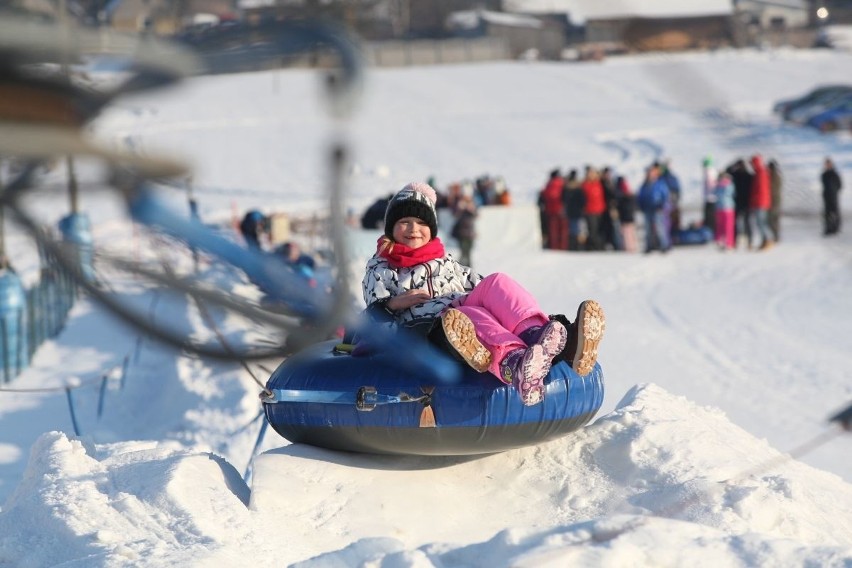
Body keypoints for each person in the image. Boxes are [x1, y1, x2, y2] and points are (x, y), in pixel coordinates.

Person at [361, 182, 606, 406]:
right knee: (469, 314)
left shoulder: (445, 262)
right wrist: (393, 304)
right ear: (391, 227)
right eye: (405, 222)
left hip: (458, 312)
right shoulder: (381, 268)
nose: (414, 229)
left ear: (432, 229)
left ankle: (545, 339)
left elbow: (483, 289)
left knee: (496, 282)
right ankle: (516, 365)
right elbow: (373, 320)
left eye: (423, 223)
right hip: (427, 331)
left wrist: (502, 306)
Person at [637, 163, 671, 253]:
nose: (649, 174)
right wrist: (641, 205)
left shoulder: (659, 184)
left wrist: (662, 205)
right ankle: (649, 245)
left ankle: (664, 245)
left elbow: (665, 196)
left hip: (657, 209)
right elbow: (640, 196)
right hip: (647, 208)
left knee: (660, 228)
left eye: (651, 172)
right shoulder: (644, 185)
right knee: (648, 229)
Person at [749, 154, 773, 251]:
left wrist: (754, 200)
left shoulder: (761, 173)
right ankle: (765, 240)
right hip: (760, 202)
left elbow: (760, 190)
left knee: (761, 223)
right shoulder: (760, 172)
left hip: (760, 202)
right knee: (761, 222)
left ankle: (768, 239)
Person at [451, 194, 477, 267]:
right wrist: (460, 208)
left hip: (469, 234)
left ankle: (468, 267)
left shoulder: (471, 208)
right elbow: (455, 215)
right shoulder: (460, 208)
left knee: (468, 253)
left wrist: (471, 208)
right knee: (463, 252)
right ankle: (460, 267)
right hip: (462, 234)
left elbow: (476, 215)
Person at [615, 175, 637, 253]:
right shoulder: (628, 194)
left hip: (625, 216)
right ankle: (631, 246)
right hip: (628, 215)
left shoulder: (619, 193)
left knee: (626, 232)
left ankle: (629, 246)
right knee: (629, 232)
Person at [713, 172, 736, 250]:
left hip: (728, 208)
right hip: (719, 208)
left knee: (728, 226)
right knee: (720, 225)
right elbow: (715, 193)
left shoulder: (729, 185)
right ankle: (720, 241)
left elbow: (727, 194)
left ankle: (729, 243)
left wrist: (723, 186)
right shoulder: (718, 186)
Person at [821, 157, 843, 236]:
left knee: (835, 212)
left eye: (828, 164)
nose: (827, 165)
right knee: (827, 213)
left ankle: (836, 228)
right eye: (826, 164)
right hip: (826, 196)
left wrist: (834, 192)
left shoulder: (835, 174)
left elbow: (839, 185)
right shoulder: (824, 175)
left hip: (834, 196)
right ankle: (828, 229)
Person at [702, 156, 718, 234]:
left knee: (710, 218)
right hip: (711, 198)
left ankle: (710, 233)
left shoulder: (709, 171)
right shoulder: (713, 171)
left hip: (710, 199)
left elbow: (711, 185)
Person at [768, 159, 782, 242]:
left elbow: (772, 189)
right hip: (776, 199)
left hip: (774, 200)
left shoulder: (773, 176)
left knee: (772, 219)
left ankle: (775, 236)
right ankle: (776, 236)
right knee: (774, 219)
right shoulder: (778, 175)